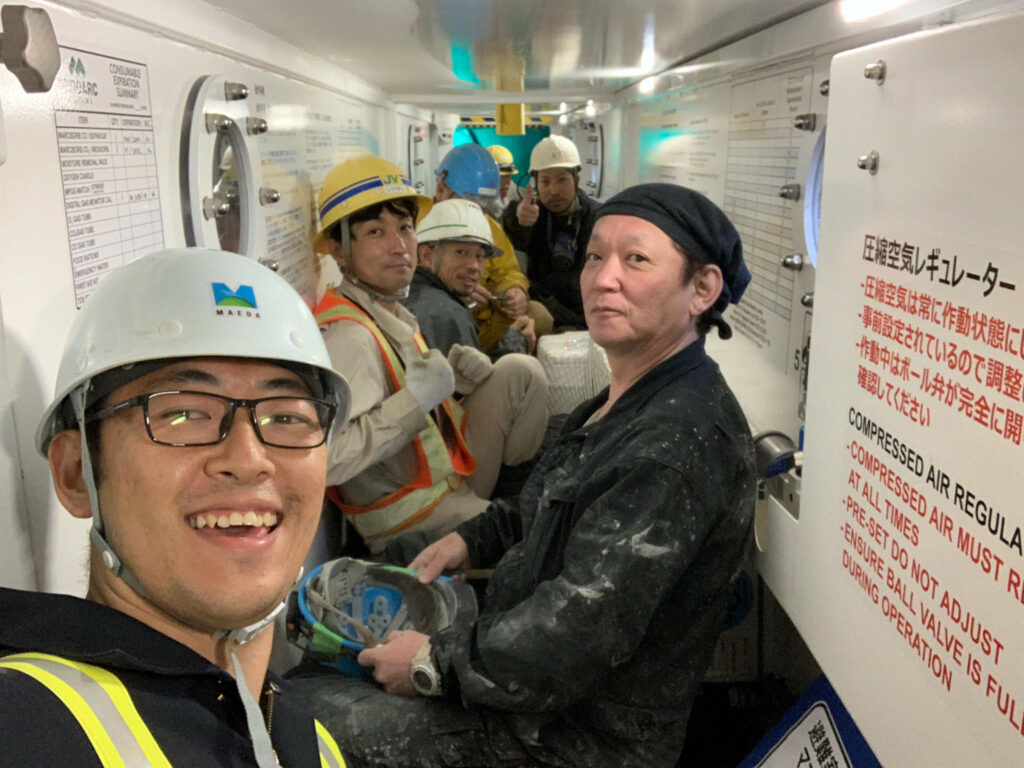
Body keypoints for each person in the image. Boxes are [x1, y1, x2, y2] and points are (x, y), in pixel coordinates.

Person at [290, 182, 758, 768]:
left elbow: (576, 636)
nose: (602, 278)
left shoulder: (674, 445)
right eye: (594, 256)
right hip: (529, 675)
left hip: (572, 736)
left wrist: (431, 662)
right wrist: (473, 539)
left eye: (636, 259)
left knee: (304, 710)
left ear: (702, 289)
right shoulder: (626, 398)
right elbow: (549, 500)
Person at [0, 248, 350, 767]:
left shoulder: (310, 741)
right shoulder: (24, 725)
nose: (249, 459)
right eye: (184, 414)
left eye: (286, 418)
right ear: (76, 473)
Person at [312, 156, 548, 554]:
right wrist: (416, 400)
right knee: (538, 541)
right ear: (339, 249)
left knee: (519, 372)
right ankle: (500, 511)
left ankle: (511, 492)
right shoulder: (350, 336)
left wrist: (452, 385)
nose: (398, 246)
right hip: (411, 519)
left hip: (443, 477)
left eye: (405, 228)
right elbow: (327, 461)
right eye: (375, 232)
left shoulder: (386, 307)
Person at [431, 143, 553, 351]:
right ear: (441, 189)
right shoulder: (420, 227)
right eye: (468, 203)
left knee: (538, 315)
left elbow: (508, 270)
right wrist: (455, 297)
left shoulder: (489, 227)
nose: (475, 213)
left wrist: (513, 292)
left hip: (485, 323)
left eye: (482, 205)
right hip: (442, 326)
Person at [501, 134, 601, 330]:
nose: (554, 191)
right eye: (545, 182)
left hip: (589, 317)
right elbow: (512, 222)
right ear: (536, 184)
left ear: (577, 179)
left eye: (562, 180)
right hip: (545, 315)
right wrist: (520, 218)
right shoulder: (530, 216)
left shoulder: (598, 218)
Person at [403, 197, 500, 355]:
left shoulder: (401, 294)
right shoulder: (449, 317)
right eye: (461, 252)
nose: (474, 266)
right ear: (427, 256)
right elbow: (470, 379)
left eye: (480, 256)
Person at [484, 144, 525, 219]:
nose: (505, 183)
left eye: (507, 176)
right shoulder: (476, 201)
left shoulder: (522, 196)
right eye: (498, 177)